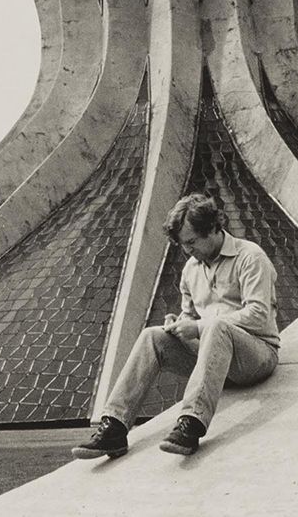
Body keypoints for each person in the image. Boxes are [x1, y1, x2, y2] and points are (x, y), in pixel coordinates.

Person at [72, 193, 280, 458]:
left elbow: (259, 314)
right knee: (153, 336)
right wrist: (179, 325)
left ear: (214, 228)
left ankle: (191, 424)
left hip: (255, 357)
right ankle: (114, 427)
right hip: (213, 359)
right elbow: (189, 316)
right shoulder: (191, 269)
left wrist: (201, 326)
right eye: (183, 244)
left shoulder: (250, 257)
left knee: (215, 327)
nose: (187, 250)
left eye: (192, 241)